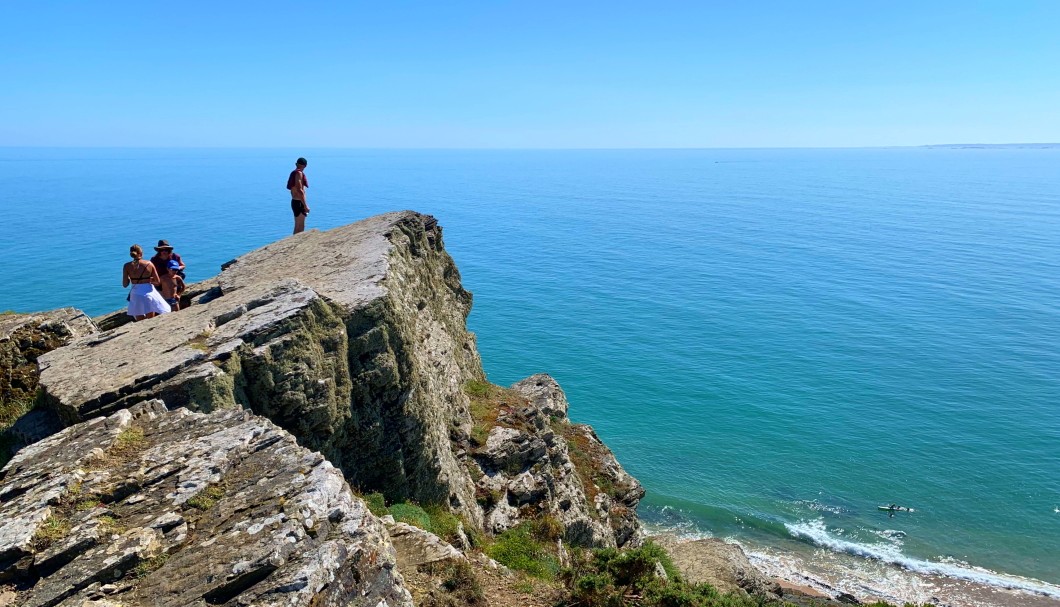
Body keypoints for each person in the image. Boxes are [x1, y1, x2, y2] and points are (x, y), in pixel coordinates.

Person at [123, 244, 170, 320]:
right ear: (141, 253)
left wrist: (129, 278)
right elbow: (157, 282)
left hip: (136, 294)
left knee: (140, 320)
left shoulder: (126, 266)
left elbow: (125, 284)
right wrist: (150, 280)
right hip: (148, 292)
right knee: (150, 320)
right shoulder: (149, 264)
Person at [287, 157, 310, 234]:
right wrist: (305, 205)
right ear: (305, 165)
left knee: (297, 226)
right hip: (299, 202)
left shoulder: (293, 173)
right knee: (300, 226)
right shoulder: (299, 173)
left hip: (294, 201)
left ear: (296, 164)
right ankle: (297, 244)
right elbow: (300, 190)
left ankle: (294, 243)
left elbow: (292, 190)